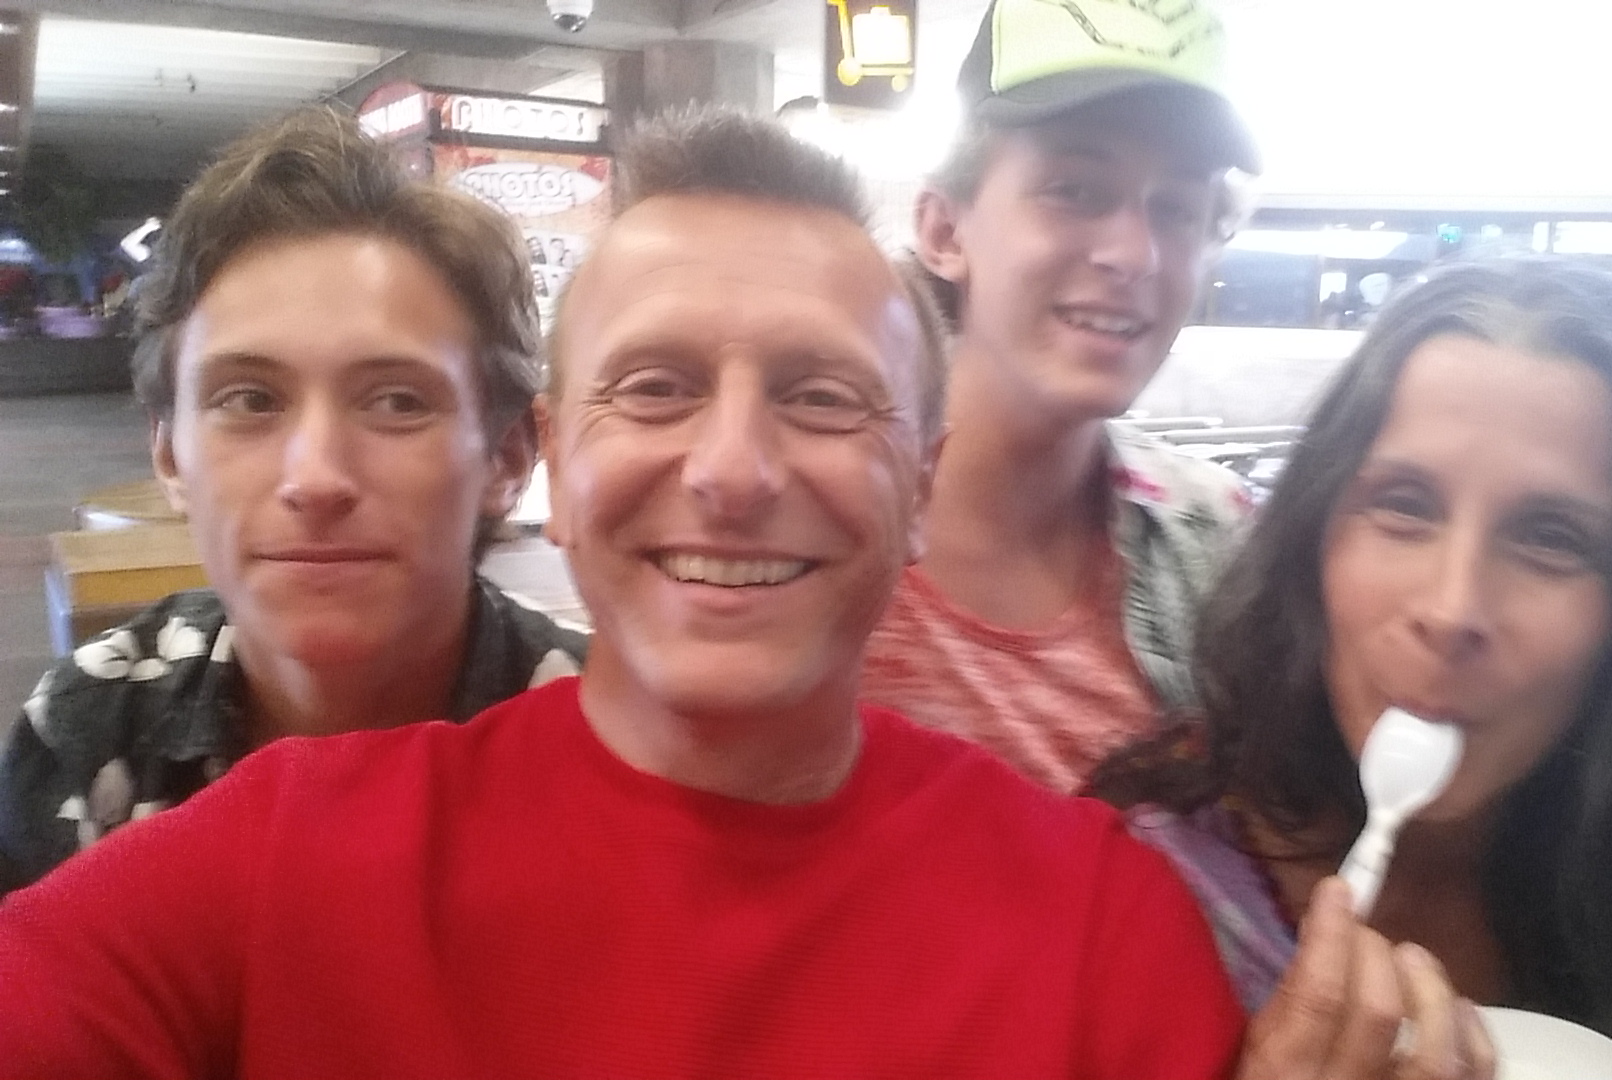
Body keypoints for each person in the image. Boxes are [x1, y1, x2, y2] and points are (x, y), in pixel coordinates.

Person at [0, 108, 1255, 1079]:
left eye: (821, 397)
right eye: (655, 388)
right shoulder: (280, 856)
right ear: (555, 460)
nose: (732, 471)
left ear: (921, 482)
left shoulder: (1099, 920)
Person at [1093, 260, 1612, 1080]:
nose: (1452, 608)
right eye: (1404, 505)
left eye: (1552, 539)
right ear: (1311, 540)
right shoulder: (1145, 890)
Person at [0, 108, 588, 894]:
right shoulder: (92, 725)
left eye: (397, 402)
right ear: (171, 454)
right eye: (249, 399)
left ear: (507, 457)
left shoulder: (612, 743)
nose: (314, 479)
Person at [859, 0, 1259, 792]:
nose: (1135, 254)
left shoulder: (1222, 547)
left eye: (1176, 208)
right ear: (944, 232)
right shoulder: (807, 533)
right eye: (1075, 190)